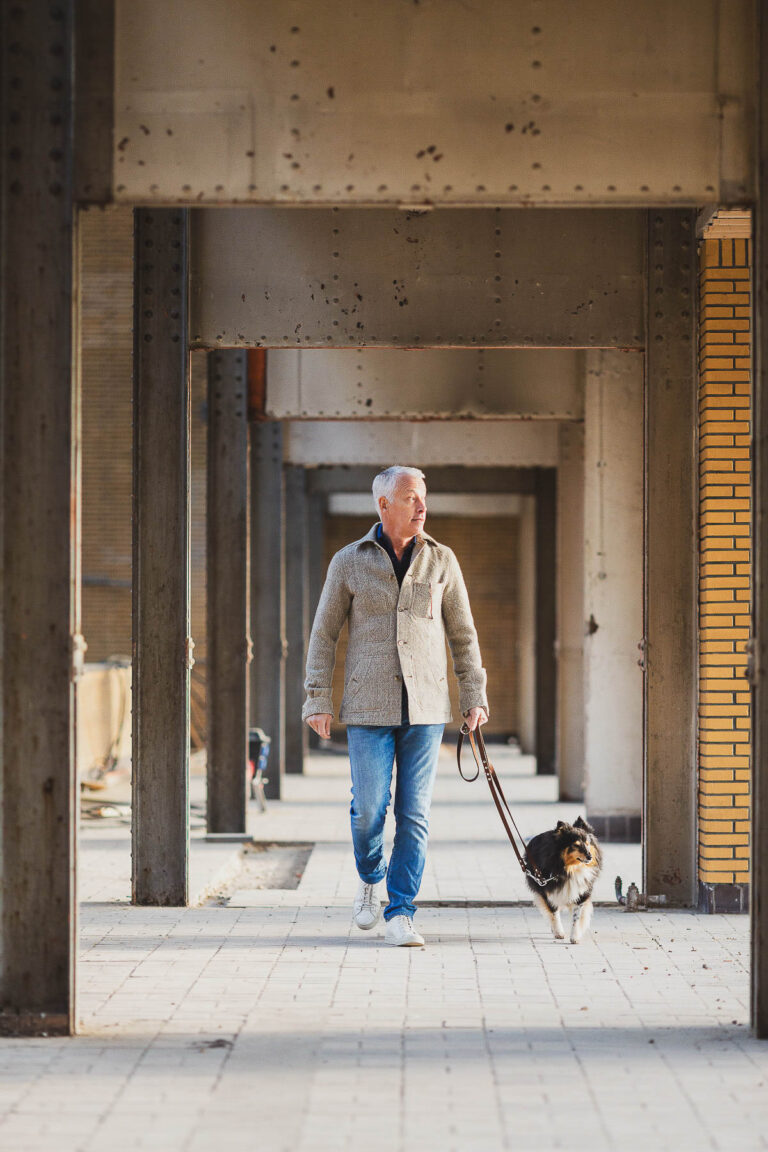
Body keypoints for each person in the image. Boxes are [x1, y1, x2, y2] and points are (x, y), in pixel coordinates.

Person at [302, 465, 488, 947]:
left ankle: (401, 910)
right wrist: (317, 698)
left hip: (427, 708)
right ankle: (370, 877)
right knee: (369, 809)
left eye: (423, 497)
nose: (421, 507)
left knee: (415, 813)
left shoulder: (442, 561)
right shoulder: (348, 561)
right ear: (383, 505)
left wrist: (474, 697)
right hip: (367, 707)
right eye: (410, 498)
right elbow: (323, 635)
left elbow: (463, 635)